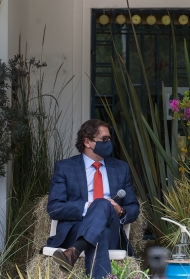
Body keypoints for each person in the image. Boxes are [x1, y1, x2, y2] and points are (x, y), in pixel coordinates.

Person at [46, 119, 139, 279]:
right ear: (87, 142)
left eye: (109, 138)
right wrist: (87, 207)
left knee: (103, 206)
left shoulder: (120, 168)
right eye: (104, 139)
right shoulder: (65, 167)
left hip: (113, 231)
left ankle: (73, 252)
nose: (109, 142)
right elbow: (54, 208)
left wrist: (120, 210)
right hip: (76, 229)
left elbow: (133, 208)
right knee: (100, 230)